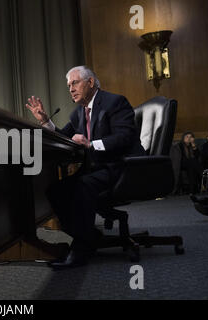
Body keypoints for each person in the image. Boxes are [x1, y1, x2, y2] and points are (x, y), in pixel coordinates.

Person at [26, 66, 145, 268]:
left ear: (90, 82)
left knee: (83, 185)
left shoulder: (115, 102)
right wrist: (46, 121)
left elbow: (124, 137)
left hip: (120, 167)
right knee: (55, 191)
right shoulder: (79, 113)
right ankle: (88, 236)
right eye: (68, 85)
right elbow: (65, 137)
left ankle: (81, 249)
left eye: (75, 83)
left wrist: (91, 144)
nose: (71, 89)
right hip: (97, 169)